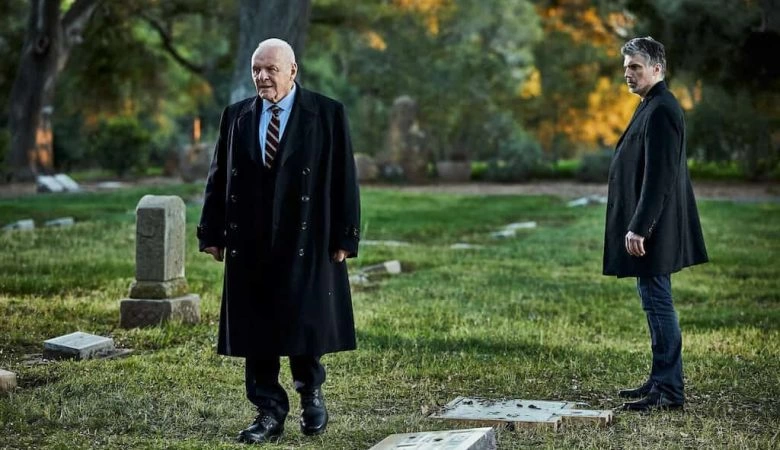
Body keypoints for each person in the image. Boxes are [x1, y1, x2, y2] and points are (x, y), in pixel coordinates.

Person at [197, 38, 360, 444]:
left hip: (307, 234)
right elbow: (219, 176)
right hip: (251, 238)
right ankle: (268, 411)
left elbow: (344, 178)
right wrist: (211, 232)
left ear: (292, 70)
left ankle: (311, 394)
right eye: (257, 69)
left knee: (305, 320)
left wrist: (345, 235)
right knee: (256, 328)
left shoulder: (326, 113)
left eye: (271, 69)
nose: (263, 76)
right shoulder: (236, 115)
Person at [603, 37, 708, 412]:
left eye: (635, 67)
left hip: (654, 229)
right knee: (653, 301)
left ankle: (669, 391)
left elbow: (660, 176)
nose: (628, 74)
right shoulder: (651, 104)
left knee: (658, 304)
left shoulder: (662, 108)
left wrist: (640, 226)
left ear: (657, 68)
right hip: (652, 227)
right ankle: (660, 379)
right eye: (626, 67)